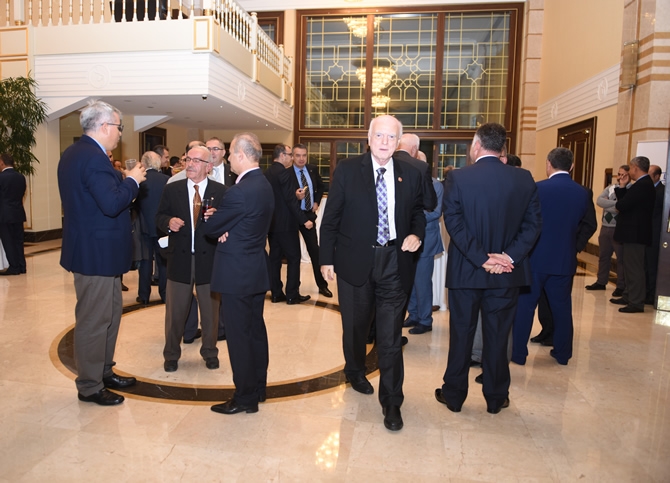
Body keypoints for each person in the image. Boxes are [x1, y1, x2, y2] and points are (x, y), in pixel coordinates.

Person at [320, 115, 426, 431]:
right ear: (369, 138)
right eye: (379, 135)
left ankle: (392, 401)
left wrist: (416, 233)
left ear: (398, 142)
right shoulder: (348, 170)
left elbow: (418, 212)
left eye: (391, 137)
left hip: (395, 262)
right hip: (354, 262)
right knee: (355, 327)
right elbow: (331, 218)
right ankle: (354, 369)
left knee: (390, 336)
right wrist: (326, 259)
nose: (384, 142)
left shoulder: (410, 173)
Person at [434, 122, 541, 415]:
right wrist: (507, 257)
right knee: (498, 336)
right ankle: (496, 398)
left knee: (461, 335)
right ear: (502, 148)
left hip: (467, 273)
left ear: (477, 146)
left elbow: (453, 223)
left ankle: (454, 396)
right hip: (506, 274)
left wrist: (482, 258)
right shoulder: (523, 178)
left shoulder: (457, 177)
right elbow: (533, 226)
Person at [57, 100, 147, 405]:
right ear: (105, 126)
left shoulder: (75, 153)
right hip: (94, 254)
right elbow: (111, 204)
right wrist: (132, 181)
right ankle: (89, 385)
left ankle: (103, 371)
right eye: (119, 127)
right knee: (94, 321)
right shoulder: (93, 158)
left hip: (99, 253)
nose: (120, 133)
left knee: (109, 316)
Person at [207, 132, 274, 415]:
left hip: (237, 274)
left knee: (238, 337)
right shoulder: (264, 184)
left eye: (231, 153)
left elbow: (211, 228)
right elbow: (245, 221)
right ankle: (258, 388)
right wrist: (227, 225)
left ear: (242, 156)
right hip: (255, 268)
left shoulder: (239, 191)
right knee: (255, 331)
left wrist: (219, 223)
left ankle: (244, 397)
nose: (229, 159)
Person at [511, 147, 595, 366]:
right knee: (562, 309)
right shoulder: (583, 192)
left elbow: (523, 223)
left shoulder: (537, 188)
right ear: (572, 166)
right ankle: (563, 354)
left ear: (548, 164)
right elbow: (589, 225)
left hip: (534, 258)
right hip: (564, 260)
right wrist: (574, 247)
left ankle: (518, 354)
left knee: (525, 307)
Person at [156, 145, 226, 372]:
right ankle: (171, 355)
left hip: (210, 261)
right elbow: (159, 217)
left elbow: (230, 223)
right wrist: (168, 222)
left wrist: (218, 218)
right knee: (175, 313)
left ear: (209, 166)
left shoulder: (220, 191)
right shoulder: (172, 189)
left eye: (196, 161)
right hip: (180, 259)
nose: (190, 164)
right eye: (188, 160)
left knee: (210, 313)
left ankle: (210, 352)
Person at [404, 150, 444, 334]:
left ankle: (425, 320)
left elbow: (436, 212)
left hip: (426, 242)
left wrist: (411, 216)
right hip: (408, 241)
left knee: (422, 283)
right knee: (410, 281)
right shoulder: (407, 182)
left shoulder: (436, 185)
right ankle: (413, 315)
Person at [265, 144, 310, 304]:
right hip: (286, 224)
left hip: (272, 224)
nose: (291, 158)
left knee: (275, 259)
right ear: (282, 155)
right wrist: (304, 220)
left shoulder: (267, 172)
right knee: (294, 258)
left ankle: (276, 293)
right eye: (290, 155)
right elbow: (290, 201)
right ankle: (292, 294)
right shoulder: (284, 173)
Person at [610, 156, 656, 313]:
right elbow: (625, 203)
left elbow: (622, 205)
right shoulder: (641, 185)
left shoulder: (643, 185)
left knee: (634, 268)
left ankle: (636, 302)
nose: (629, 171)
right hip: (633, 233)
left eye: (630, 168)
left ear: (636, 168)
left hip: (636, 234)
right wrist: (622, 186)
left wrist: (621, 198)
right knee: (629, 267)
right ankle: (628, 295)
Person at [289, 143, 332, 297]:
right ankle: (293, 288)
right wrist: (295, 196)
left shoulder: (312, 169)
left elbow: (321, 186)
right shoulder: (287, 174)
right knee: (293, 254)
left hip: (308, 216)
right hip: (292, 217)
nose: (301, 159)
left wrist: (316, 202)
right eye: (298, 155)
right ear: (292, 157)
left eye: (304, 155)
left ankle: (322, 285)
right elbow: (285, 197)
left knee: (315, 251)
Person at [585, 165, 629, 295]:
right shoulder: (610, 188)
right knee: (604, 256)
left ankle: (621, 286)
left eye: (623, 175)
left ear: (629, 176)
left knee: (620, 259)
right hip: (605, 227)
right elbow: (599, 201)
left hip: (618, 228)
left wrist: (610, 203)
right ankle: (601, 281)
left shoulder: (630, 189)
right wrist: (616, 204)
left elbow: (624, 206)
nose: (620, 177)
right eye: (619, 174)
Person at [135, 150, 169, 304]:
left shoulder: (140, 180)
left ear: (143, 163)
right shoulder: (167, 180)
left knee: (145, 262)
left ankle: (144, 296)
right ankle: (165, 294)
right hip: (162, 227)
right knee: (163, 262)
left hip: (144, 227)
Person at [394, 133, 438, 211]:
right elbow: (429, 203)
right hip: (411, 216)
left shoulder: (385, 161)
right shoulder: (421, 166)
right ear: (414, 148)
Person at [0, 154, 27, 276]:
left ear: (2, 163)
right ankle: (22, 266)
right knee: (18, 241)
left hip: (4, 215)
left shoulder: (1, 178)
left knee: (9, 241)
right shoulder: (20, 177)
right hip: (18, 213)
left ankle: (14, 267)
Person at [645, 164, 664, 305]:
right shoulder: (648, 190)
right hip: (646, 233)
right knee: (645, 265)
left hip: (655, 234)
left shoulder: (662, 192)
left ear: (657, 176)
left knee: (652, 266)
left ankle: (652, 294)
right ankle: (646, 292)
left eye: (650, 175)